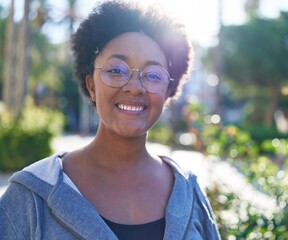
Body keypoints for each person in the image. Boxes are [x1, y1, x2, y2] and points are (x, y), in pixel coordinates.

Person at [0, 1, 220, 239]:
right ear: (91, 86)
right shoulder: (30, 197)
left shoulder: (190, 193)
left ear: (168, 92)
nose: (134, 87)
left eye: (153, 74)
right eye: (116, 70)